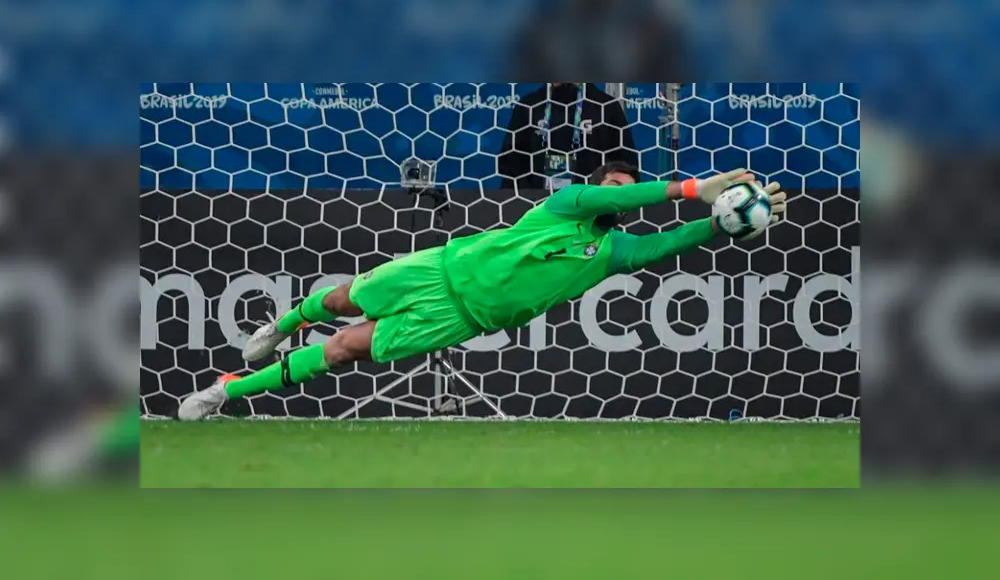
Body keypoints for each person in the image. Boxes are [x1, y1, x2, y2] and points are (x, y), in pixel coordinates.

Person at [178, 162, 787, 420]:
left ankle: (227, 390)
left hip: (460, 317)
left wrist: (720, 223)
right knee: (340, 303)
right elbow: (619, 196)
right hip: (437, 269)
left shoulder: (612, 251)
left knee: (343, 353)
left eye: (632, 185)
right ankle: (284, 324)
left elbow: (665, 246)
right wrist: (686, 189)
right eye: (620, 182)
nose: (624, 191)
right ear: (600, 186)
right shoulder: (570, 202)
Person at [498, 83, 637, 190]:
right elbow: (511, 162)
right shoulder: (529, 105)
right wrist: (528, 196)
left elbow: (625, 162)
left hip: (589, 204)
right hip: (538, 205)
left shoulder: (605, 106)